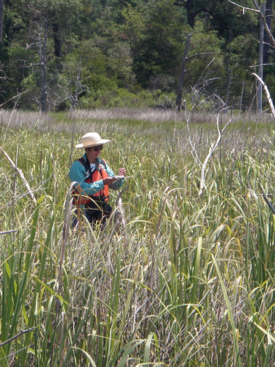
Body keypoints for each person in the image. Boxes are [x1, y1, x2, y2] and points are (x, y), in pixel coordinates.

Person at [69, 132, 126, 228]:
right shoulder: (77, 166)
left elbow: (114, 185)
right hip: (84, 211)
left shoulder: (102, 163)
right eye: (96, 149)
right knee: (83, 239)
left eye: (100, 148)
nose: (99, 151)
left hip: (102, 208)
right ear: (87, 149)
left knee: (108, 234)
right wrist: (103, 182)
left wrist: (120, 178)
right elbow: (82, 190)